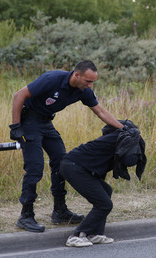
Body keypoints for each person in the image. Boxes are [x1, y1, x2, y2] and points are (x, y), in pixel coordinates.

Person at [9, 60, 124, 233]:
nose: (90, 85)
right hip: (29, 122)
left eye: (92, 82)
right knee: (35, 168)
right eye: (88, 81)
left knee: (62, 163)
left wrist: (123, 129)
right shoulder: (52, 79)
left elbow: (100, 111)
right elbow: (19, 95)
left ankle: (59, 211)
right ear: (77, 75)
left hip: (46, 123)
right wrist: (15, 126)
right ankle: (26, 215)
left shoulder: (83, 90)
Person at [60, 120, 146, 247]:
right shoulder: (122, 141)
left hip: (77, 166)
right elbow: (129, 160)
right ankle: (75, 236)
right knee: (104, 204)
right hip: (73, 167)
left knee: (106, 191)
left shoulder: (117, 140)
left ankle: (94, 234)